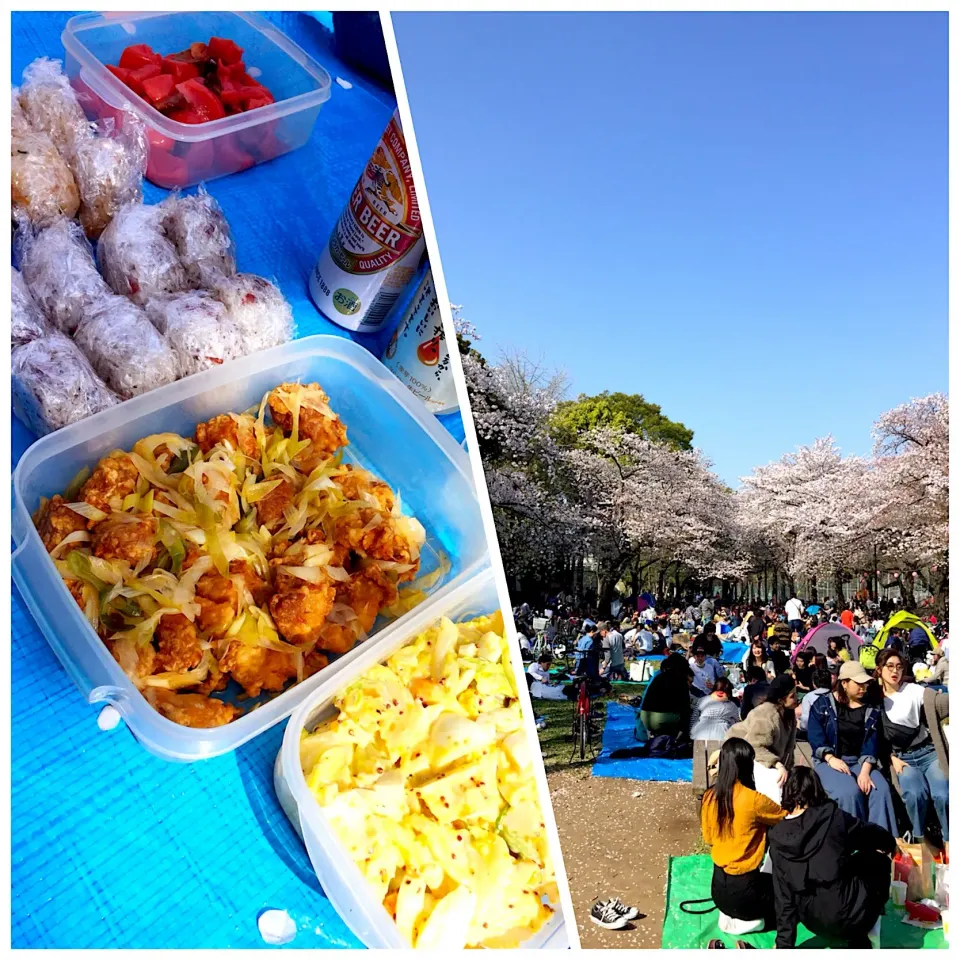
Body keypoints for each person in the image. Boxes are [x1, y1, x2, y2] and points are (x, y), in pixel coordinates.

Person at [768, 767, 896, 949]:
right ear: (817, 789)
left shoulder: (776, 835)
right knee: (878, 861)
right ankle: (867, 928)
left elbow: (783, 897)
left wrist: (783, 944)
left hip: (812, 922)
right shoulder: (833, 818)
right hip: (848, 917)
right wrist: (890, 844)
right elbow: (870, 833)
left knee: (854, 862)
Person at [700, 738, 786, 933]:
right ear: (747, 765)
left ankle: (733, 916)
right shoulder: (754, 800)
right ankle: (753, 921)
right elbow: (785, 818)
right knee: (788, 894)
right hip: (746, 894)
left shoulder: (709, 796)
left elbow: (709, 839)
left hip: (718, 890)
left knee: (765, 882)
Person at [806, 661, 897, 834]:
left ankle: (881, 842)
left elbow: (872, 742)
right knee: (849, 793)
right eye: (858, 684)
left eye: (865, 683)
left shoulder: (872, 707)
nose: (863, 688)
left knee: (880, 790)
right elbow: (815, 736)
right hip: (829, 760)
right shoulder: (822, 704)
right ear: (844, 683)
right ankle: (853, 842)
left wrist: (865, 771)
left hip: (862, 761)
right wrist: (830, 758)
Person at [875, 648, 949, 845]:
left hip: (929, 754)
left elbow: (941, 703)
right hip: (903, 758)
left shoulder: (914, 690)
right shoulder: (874, 698)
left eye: (899, 667)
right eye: (889, 666)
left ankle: (950, 841)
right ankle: (920, 840)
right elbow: (875, 737)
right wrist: (891, 758)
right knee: (914, 795)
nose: (895, 671)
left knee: (943, 794)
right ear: (879, 669)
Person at [724, 674, 798, 804]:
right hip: (740, 752)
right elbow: (754, 746)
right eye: (792, 696)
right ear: (781, 699)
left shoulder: (788, 714)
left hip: (764, 756)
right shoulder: (766, 715)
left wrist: (788, 769)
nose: (797, 699)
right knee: (775, 787)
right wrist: (778, 765)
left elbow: (789, 750)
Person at [639, 652, 694, 738]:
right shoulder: (680, 680)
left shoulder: (659, 677)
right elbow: (685, 708)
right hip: (661, 719)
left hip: (645, 717)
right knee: (688, 714)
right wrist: (682, 731)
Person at [798, 665, 833, 734]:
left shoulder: (808, 697)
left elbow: (805, 719)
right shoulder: (834, 695)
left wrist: (800, 725)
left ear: (814, 683)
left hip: (814, 732)